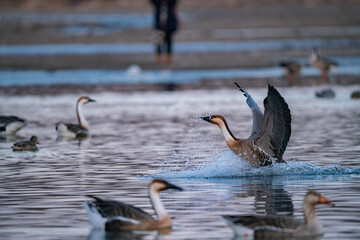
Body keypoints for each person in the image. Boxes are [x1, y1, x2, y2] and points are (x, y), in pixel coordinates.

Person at [149, 0, 179, 65]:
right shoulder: (158, 3)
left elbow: (174, 2)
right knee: (158, 43)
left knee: (169, 42)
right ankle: (159, 60)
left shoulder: (170, 3)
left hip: (169, 25)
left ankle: (169, 60)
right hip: (159, 25)